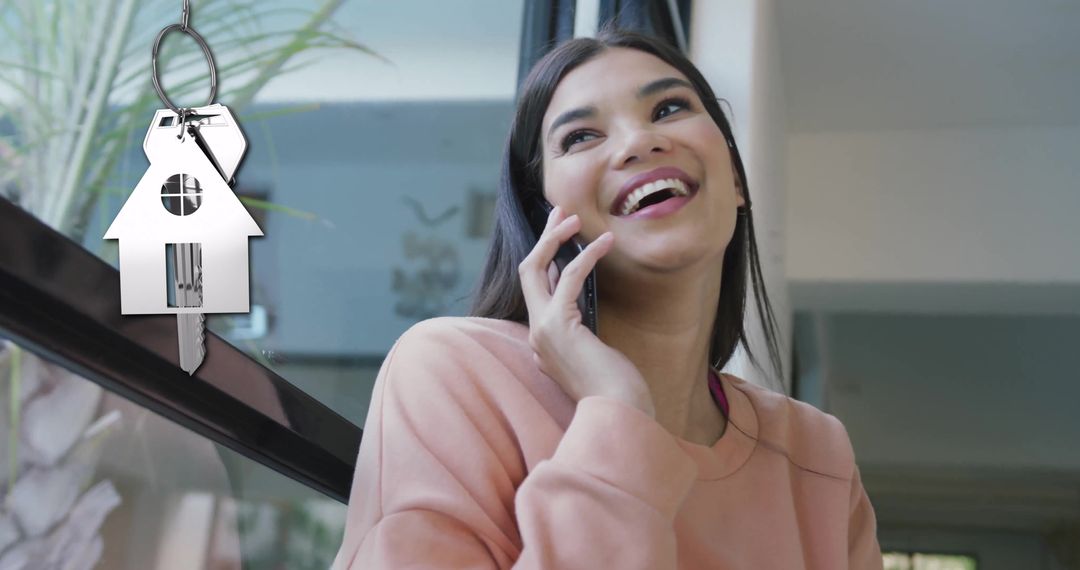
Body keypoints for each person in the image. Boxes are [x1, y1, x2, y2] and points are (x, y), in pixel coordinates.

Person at [332, 27, 883, 569]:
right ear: (543, 215)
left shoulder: (815, 453)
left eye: (668, 109)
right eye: (580, 137)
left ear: (736, 180)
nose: (639, 142)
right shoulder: (451, 372)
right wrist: (617, 409)